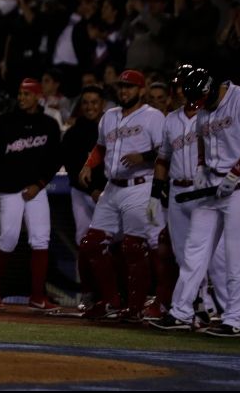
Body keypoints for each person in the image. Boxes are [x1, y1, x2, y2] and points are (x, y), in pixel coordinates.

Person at [151, 66, 240, 337]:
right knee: (194, 251)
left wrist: (234, 174)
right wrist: (202, 167)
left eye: (201, 101)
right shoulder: (202, 106)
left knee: (236, 254)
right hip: (213, 184)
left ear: (212, 89)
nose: (199, 107)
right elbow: (202, 138)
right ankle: (181, 312)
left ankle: (235, 320)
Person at [78, 69, 165, 321]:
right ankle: (111, 300)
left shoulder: (153, 116)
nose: (124, 90)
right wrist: (89, 164)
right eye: (121, 86)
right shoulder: (109, 116)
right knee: (91, 244)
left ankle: (136, 307)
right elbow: (100, 146)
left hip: (141, 184)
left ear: (141, 90)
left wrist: (144, 157)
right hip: (112, 187)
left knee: (133, 247)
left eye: (129, 86)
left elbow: (166, 150)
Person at [145, 65, 227, 323]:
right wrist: (155, 195)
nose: (180, 91)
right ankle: (200, 305)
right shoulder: (170, 120)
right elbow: (162, 160)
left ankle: (219, 309)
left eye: (183, 85)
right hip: (178, 191)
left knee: (213, 257)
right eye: (177, 86)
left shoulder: (211, 114)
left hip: (204, 190)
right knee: (183, 255)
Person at [0, 78, 63, 311]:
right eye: (20, 94)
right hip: (9, 189)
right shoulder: (5, 121)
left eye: (27, 94)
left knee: (41, 240)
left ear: (38, 97)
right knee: (8, 238)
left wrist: (39, 184)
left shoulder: (49, 124)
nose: (22, 98)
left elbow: (55, 160)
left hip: (36, 190)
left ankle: (37, 296)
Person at [60, 85, 108, 310]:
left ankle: (110, 294)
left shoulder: (111, 128)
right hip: (82, 193)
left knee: (108, 243)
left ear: (103, 105)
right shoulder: (73, 133)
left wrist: (101, 191)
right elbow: (71, 168)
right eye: (86, 102)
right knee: (83, 241)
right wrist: (92, 191)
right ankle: (88, 293)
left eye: (94, 102)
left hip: (108, 195)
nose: (90, 107)